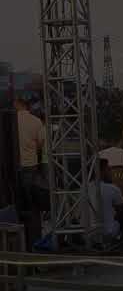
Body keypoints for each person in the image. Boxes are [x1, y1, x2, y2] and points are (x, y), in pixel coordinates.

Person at [15, 97, 45, 250]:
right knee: (34, 208)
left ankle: (19, 244)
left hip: (12, 169)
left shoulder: (10, 120)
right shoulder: (36, 122)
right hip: (31, 168)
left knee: (15, 208)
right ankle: (36, 245)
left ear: (17, 104)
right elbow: (40, 145)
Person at [89, 159, 123, 242]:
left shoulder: (83, 189)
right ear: (102, 172)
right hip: (108, 232)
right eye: (108, 170)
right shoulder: (112, 189)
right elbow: (122, 211)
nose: (111, 173)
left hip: (87, 233)